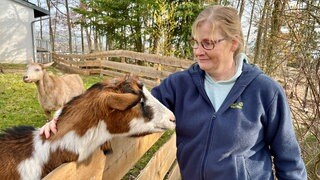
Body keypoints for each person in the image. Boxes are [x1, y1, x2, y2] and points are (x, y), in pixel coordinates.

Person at [40, 5, 307, 180]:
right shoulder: (181, 85)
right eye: (195, 43)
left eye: (208, 43)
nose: (198, 51)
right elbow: (130, 106)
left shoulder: (265, 92)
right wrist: (65, 118)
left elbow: (290, 162)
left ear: (233, 44)